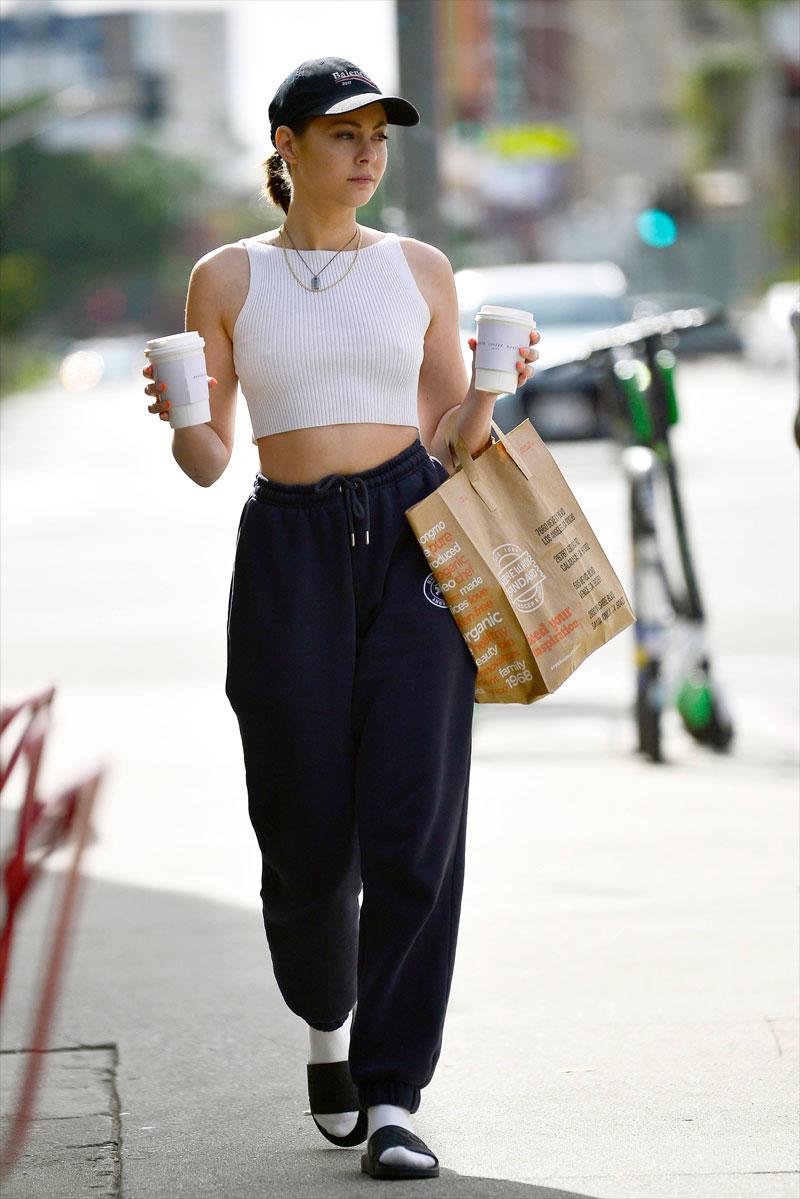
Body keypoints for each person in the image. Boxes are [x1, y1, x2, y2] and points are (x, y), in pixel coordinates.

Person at [145, 57, 539, 1182]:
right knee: (307, 841)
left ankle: (393, 1092)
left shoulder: (419, 267)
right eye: (339, 133)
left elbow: (447, 433)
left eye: (378, 133)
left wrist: (488, 390)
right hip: (287, 547)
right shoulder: (224, 278)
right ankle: (328, 1016)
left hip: (413, 537)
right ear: (284, 146)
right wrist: (176, 418)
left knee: (415, 829)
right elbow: (209, 457)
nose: (365, 151)